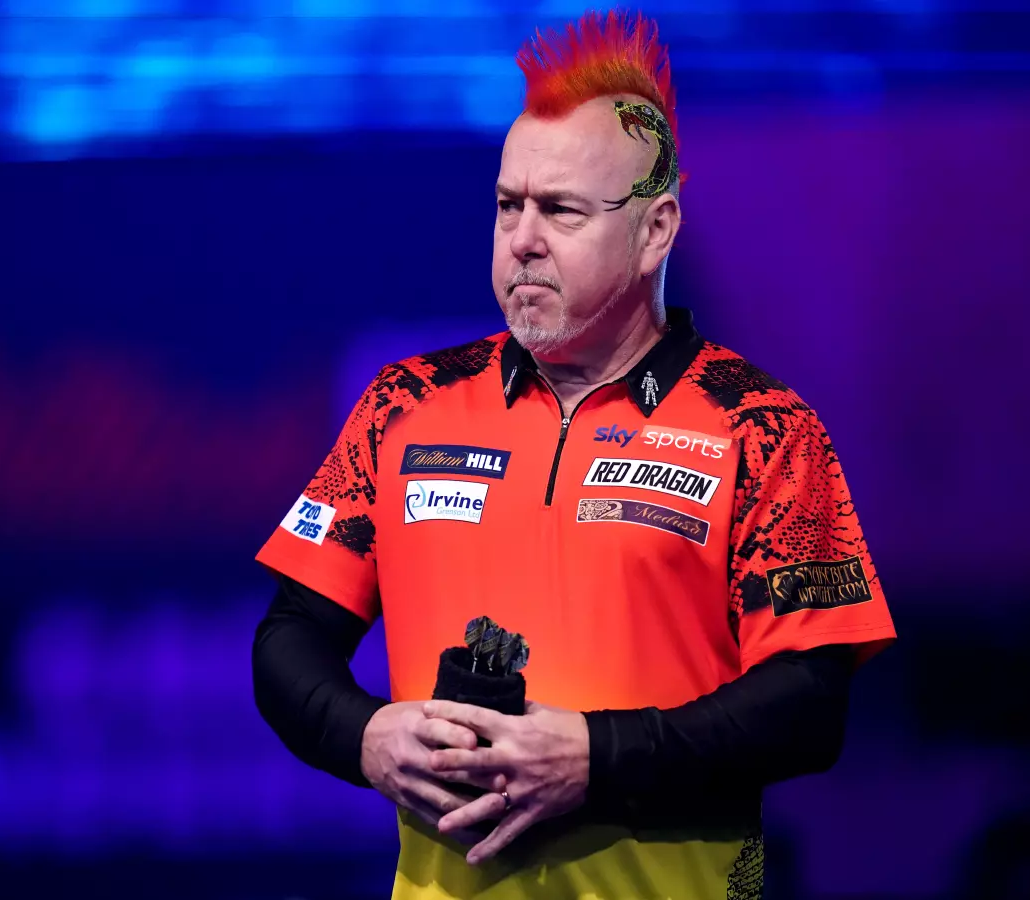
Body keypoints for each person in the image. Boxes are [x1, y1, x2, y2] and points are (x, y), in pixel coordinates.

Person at [252, 10, 896, 899]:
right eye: (508, 204)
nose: (522, 238)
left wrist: (595, 757)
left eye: (560, 210)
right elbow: (289, 640)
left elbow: (811, 705)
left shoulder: (763, 428)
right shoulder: (404, 405)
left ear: (656, 230)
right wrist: (363, 736)